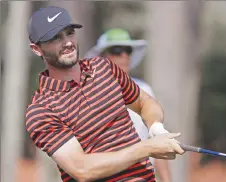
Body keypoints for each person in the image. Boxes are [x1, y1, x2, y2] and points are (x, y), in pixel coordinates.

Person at [26, 6, 184, 182]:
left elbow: (145, 103)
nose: (68, 43)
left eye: (69, 33)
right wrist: (146, 148)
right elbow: (82, 169)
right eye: (56, 38)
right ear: (36, 49)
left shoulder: (104, 68)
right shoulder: (41, 111)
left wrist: (156, 127)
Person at [85, 28, 172, 181]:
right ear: (101, 57)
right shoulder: (87, 94)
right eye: (117, 50)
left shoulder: (144, 91)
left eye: (128, 50)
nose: (124, 56)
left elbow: (156, 142)